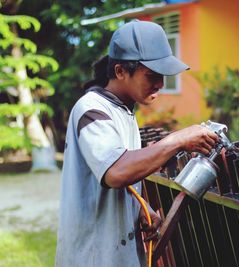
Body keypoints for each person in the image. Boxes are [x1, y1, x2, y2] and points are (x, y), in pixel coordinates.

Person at [55, 20, 219, 267]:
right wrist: (176, 140)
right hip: (93, 258)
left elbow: (118, 172)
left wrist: (141, 208)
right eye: (152, 75)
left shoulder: (123, 110)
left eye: (162, 76)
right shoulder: (91, 110)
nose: (160, 84)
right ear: (120, 71)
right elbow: (115, 172)